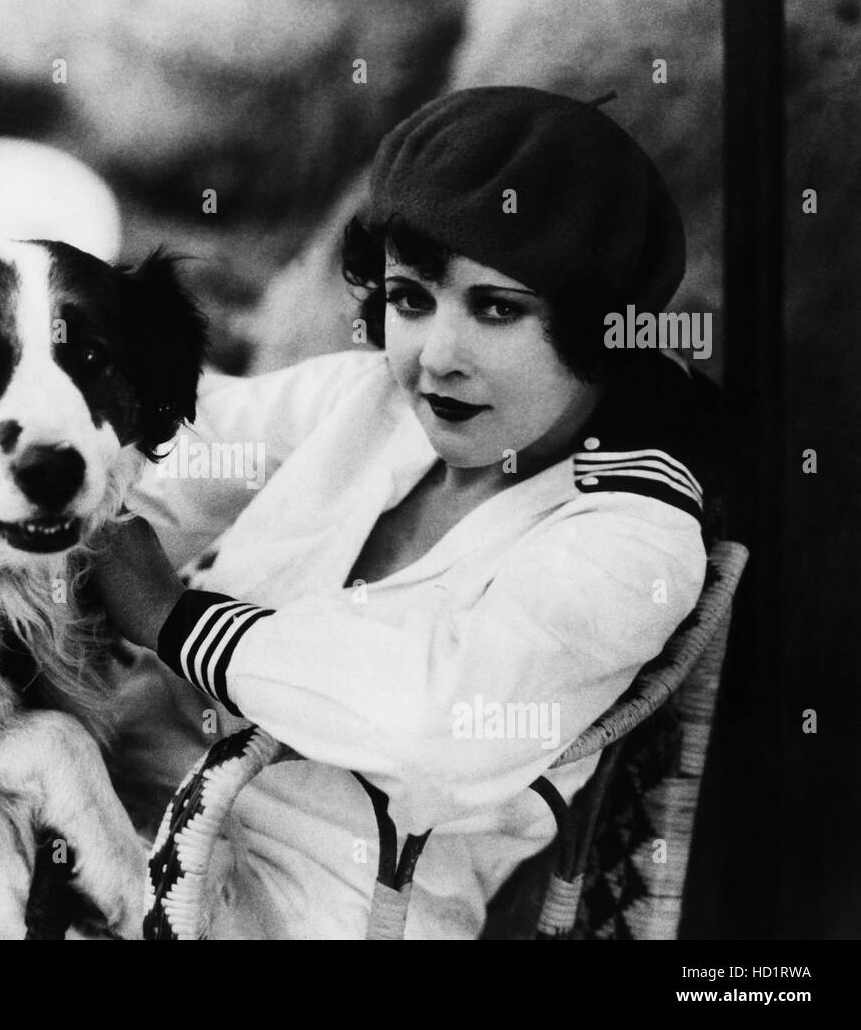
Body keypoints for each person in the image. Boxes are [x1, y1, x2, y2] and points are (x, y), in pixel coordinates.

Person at [92, 85, 729, 939]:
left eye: (498, 309)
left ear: (597, 328)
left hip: (324, 905)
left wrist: (174, 618)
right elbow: (155, 453)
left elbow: (437, 717)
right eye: (411, 298)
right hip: (125, 806)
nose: (438, 356)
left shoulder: (633, 542)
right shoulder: (369, 408)